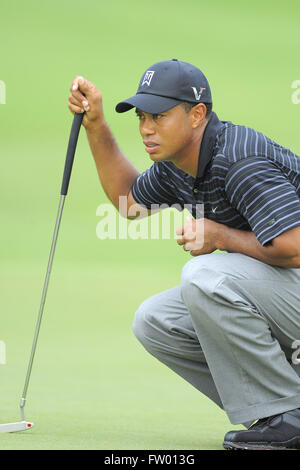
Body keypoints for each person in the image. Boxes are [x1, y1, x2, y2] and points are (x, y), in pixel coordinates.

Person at [68, 59, 300, 450]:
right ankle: (286, 411)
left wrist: (221, 235)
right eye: (142, 117)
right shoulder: (177, 165)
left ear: (196, 115)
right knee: (157, 320)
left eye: (158, 116)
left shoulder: (240, 161)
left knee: (205, 275)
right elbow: (129, 202)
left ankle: (290, 417)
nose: (145, 129)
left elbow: (295, 245)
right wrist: (96, 125)